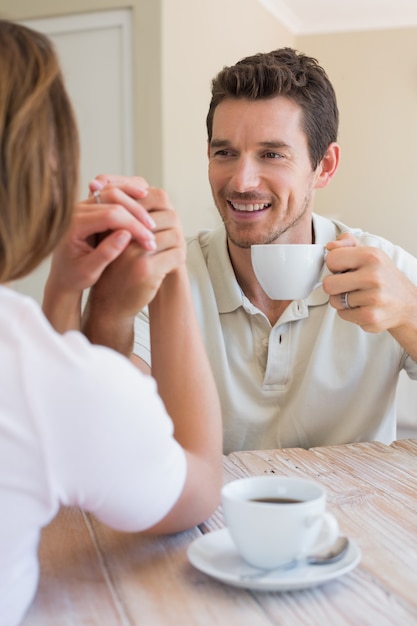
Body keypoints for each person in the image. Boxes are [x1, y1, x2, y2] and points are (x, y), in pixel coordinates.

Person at [82, 48, 417, 454]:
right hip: (211, 514)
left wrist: (410, 315)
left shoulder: (387, 270)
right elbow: (102, 419)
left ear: (324, 165)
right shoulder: (167, 273)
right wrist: (103, 299)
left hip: (355, 515)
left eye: (271, 154)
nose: (241, 181)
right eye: (225, 153)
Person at [0, 20, 222, 626]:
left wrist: (66, 285)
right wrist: (171, 275)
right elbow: (197, 483)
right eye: (224, 151)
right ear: (42, 167)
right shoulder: (34, 373)